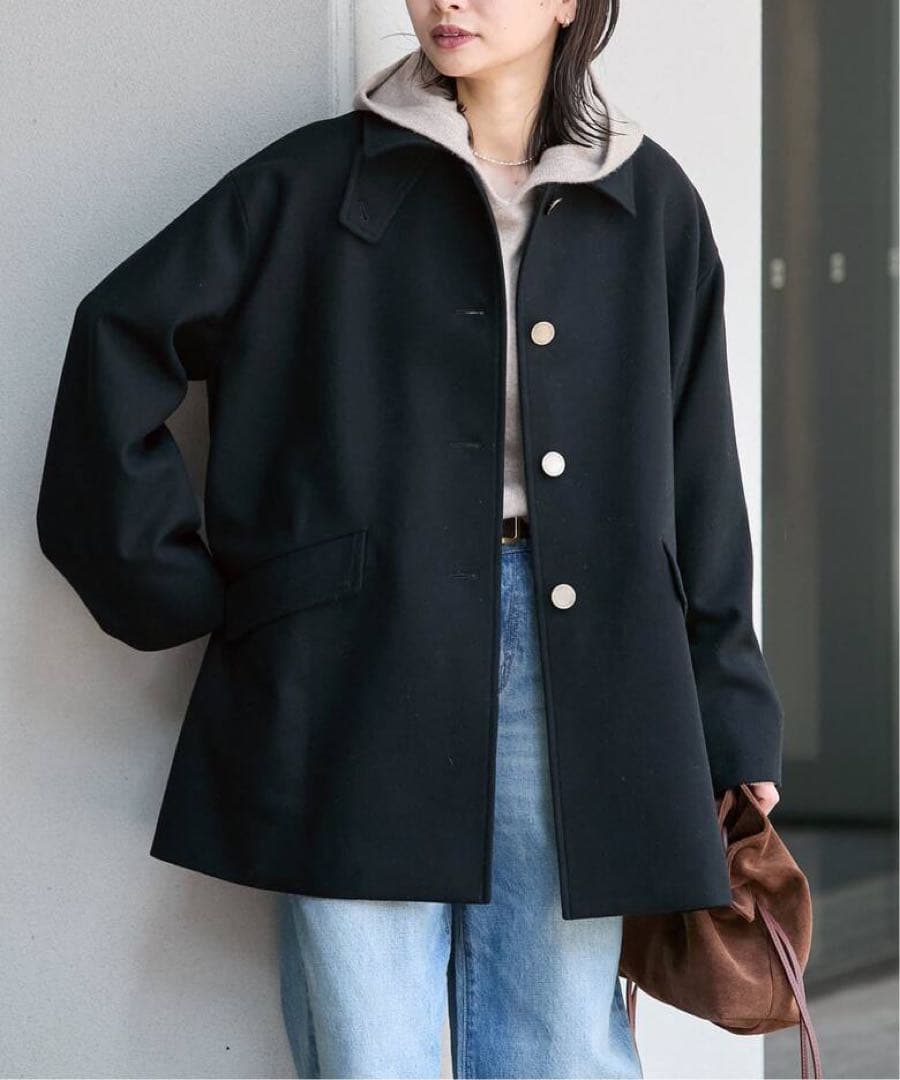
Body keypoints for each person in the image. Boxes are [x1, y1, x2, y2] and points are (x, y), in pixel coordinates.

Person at [36, 1, 784, 1077]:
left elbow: (701, 473)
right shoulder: (313, 183)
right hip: (354, 659)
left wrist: (733, 718)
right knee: (367, 1046)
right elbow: (117, 341)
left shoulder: (649, 200)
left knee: (558, 1044)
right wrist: (173, 588)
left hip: (589, 672)